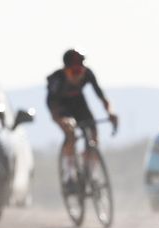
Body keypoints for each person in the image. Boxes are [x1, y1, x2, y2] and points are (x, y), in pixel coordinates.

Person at [46, 49, 118, 190]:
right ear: (65, 70)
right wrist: (61, 121)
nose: (78, 75)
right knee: (70, 134)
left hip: (78, 103)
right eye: (74, 72)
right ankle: (69, 176)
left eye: (80, 71)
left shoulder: (87, 74)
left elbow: (101, 96)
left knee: (93, 133)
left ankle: (92, 173)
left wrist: (111, 113)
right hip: (60, 106)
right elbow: (52, 106)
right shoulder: (57, 80)